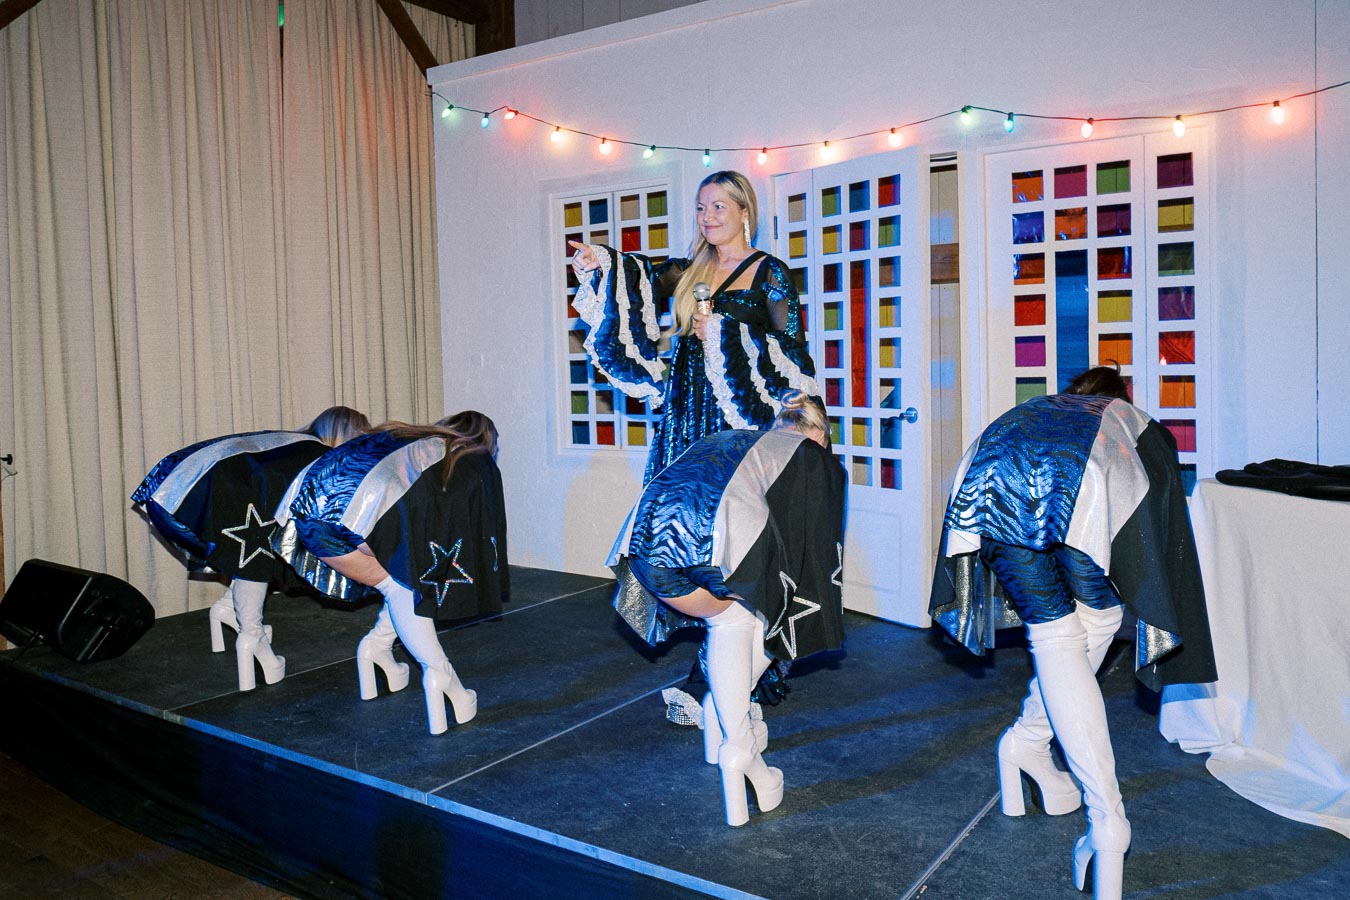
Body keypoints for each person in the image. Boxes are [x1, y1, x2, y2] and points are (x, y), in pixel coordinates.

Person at [929, 367, 1216, 900]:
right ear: (1119, 397)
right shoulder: (1131, 421)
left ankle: (1025, 742)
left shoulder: (1037, 408)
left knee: (1057, 636)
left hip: (992, 481)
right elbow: (1162, 527)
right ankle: (1106, 818)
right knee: (1096, 621)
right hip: (1082, 485)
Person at [570, 170, 826, 722]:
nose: (709, 218)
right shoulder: (692, 271)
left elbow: (790, 348)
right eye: (702, 208)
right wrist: (600, 263)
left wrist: (728, 338)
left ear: (744, 212)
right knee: (685, 542)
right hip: (686, 422)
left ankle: (726, 678)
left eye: (719, 207)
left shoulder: (769, 273)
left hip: (741, 423)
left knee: (736, 544)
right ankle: (722, 670)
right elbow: (638, 276)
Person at [608, 391, 846, 826]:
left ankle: (724, 723)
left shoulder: (736, 439)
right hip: (715, 542)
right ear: (817, 432)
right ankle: (741, 749)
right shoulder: (810, 455)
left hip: (646, 547)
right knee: (757, 617)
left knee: (730, 620)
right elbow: (810, 558)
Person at [272, 411, 508, 735]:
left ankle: (376, 648)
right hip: (362, 515)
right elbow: (459, 525)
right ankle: (441, 675)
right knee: (406, 587)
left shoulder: (406, 434)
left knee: (393, 582)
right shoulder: (468, 454)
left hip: (309, 510)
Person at [132, 406, 370, 691]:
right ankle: (252, 636)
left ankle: (227, 610)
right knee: (256, 556)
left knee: (246, 549)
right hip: (230, 489)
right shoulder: (318, 457)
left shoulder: (291, 441)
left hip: (200, 479)